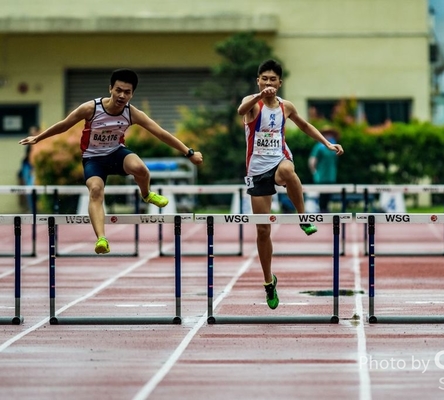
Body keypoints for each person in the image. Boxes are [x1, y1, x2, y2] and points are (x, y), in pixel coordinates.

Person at [18, 69, 203, 255]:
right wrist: (38, 138)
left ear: (132, 94)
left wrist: (189, 152)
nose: (122, 96)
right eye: (118, 90)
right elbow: (64, 125)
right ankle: (101, 239)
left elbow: (161, 133)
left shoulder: (132, 113)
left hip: (116, 153)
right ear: (110, 89)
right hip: (93, 158)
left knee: (141, 169)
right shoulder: (91, 108)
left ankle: (146, 194)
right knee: (96, 190)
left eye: (127, 92)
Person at [237, 59, 344, 310]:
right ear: (258, 81)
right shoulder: (253, 104)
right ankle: (268, 281)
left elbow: (305, 125)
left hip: (279, 162)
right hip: (257, 170)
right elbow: (242, 110)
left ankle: (302, 216)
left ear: (280, 83)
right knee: (263, 231)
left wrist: (327, 143)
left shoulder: (286, 107)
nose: (268, 83)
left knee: (288, 169)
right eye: (264, 78)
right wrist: (257, 97)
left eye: (273, 79)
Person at [308, 127, 340, 212]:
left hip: (331, 175)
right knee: (322, 195)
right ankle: (322, 210)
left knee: (328, 195)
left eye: (330, 134)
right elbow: (312, 160)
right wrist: (314, 171)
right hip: (321, 175)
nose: (329, 136)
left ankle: (325, 209)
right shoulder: (319, 147)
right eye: (327, 134)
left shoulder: (334, 146)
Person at [17, 126, 38, 212]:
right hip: (26, 166)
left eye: (33, 131)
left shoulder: (39, 142)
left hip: (32, 167)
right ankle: (30, 208)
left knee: (32, 187)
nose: (32, 133)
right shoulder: (30, 142)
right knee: (27, 188)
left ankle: (34, 209)